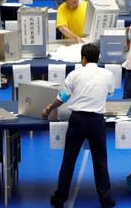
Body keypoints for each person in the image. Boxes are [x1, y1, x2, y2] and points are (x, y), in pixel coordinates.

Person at [42, 43, 115, 208]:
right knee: (100, 161)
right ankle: (106, 199)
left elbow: (62, 97)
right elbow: (109, 93)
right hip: (97, 121)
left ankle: (59, 199)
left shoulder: (74, 74)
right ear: (98, 58)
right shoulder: (108, 74)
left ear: (83, 58)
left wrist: (47, 109)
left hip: (78, 120)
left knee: (68, 161)